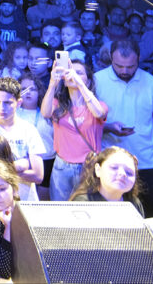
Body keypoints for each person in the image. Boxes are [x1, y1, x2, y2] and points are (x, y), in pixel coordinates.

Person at [93, 39, 153, 217]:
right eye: (119, 66)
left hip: (145, 161)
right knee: (107, 216)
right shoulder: (96, 81)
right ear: (110, 58)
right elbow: (86, 123)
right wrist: (108, 128)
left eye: (130, 66)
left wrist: (143, 134)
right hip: (108, 160)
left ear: (139, 59)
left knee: (147, 214)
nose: (125, 71)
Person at [40, 58, 107, 200]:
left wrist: (80, 84)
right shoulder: (58, 104)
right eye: (69, 71)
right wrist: (52, 83)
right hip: (62, 166)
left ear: (88, 80)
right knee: (61, 212)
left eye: (79, 73)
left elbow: (100, 113)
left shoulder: (97, 104)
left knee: (88, 208)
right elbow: (45, 113)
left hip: (88, 165)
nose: (73, 75)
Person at [69, 146, 144, 216]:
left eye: (129, 172)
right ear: (98, 170)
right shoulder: (82, 203)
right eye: (114, 168)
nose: (122, 174)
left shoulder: (134, 204)